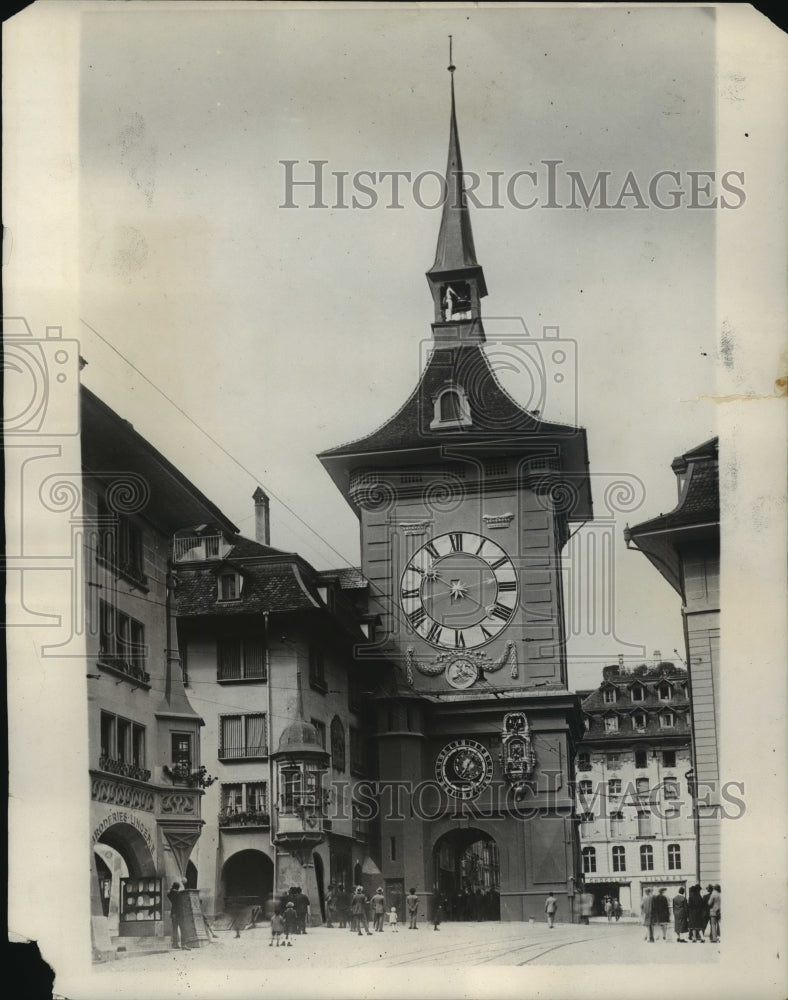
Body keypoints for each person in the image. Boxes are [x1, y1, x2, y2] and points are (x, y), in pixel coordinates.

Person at [167, 882, 189, 950]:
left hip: (174, 913)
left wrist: (171, 889)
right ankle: (184, 944)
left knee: (175, 929)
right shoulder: (179, 894)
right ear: (178, 887)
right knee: (183, 929)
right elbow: (181, 904)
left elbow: (168, 894)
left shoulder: (171, 894)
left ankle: (175, 944)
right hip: (179, 914)